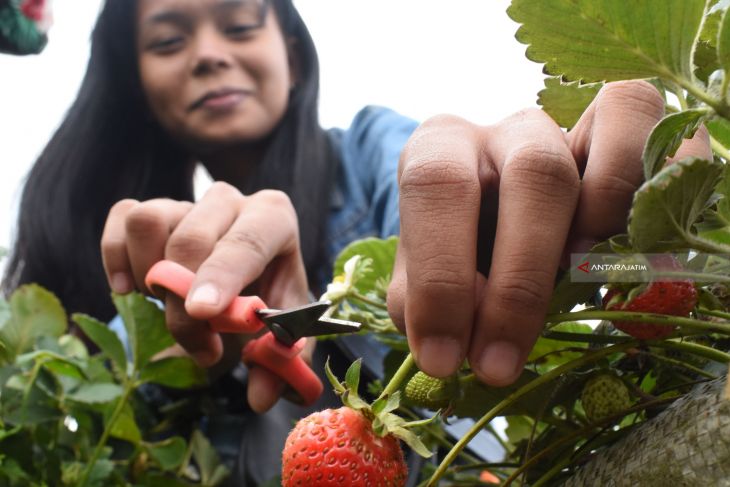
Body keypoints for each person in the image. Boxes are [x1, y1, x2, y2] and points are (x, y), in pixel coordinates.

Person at [1, 0, 712, 483]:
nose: (211, 55)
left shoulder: (374, 152)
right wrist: (186, 367)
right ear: (135, 88)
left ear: (293, 52)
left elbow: (429, 206)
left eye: (240, 25)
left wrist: (503, 217)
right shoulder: (136, 272)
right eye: (168, 40)